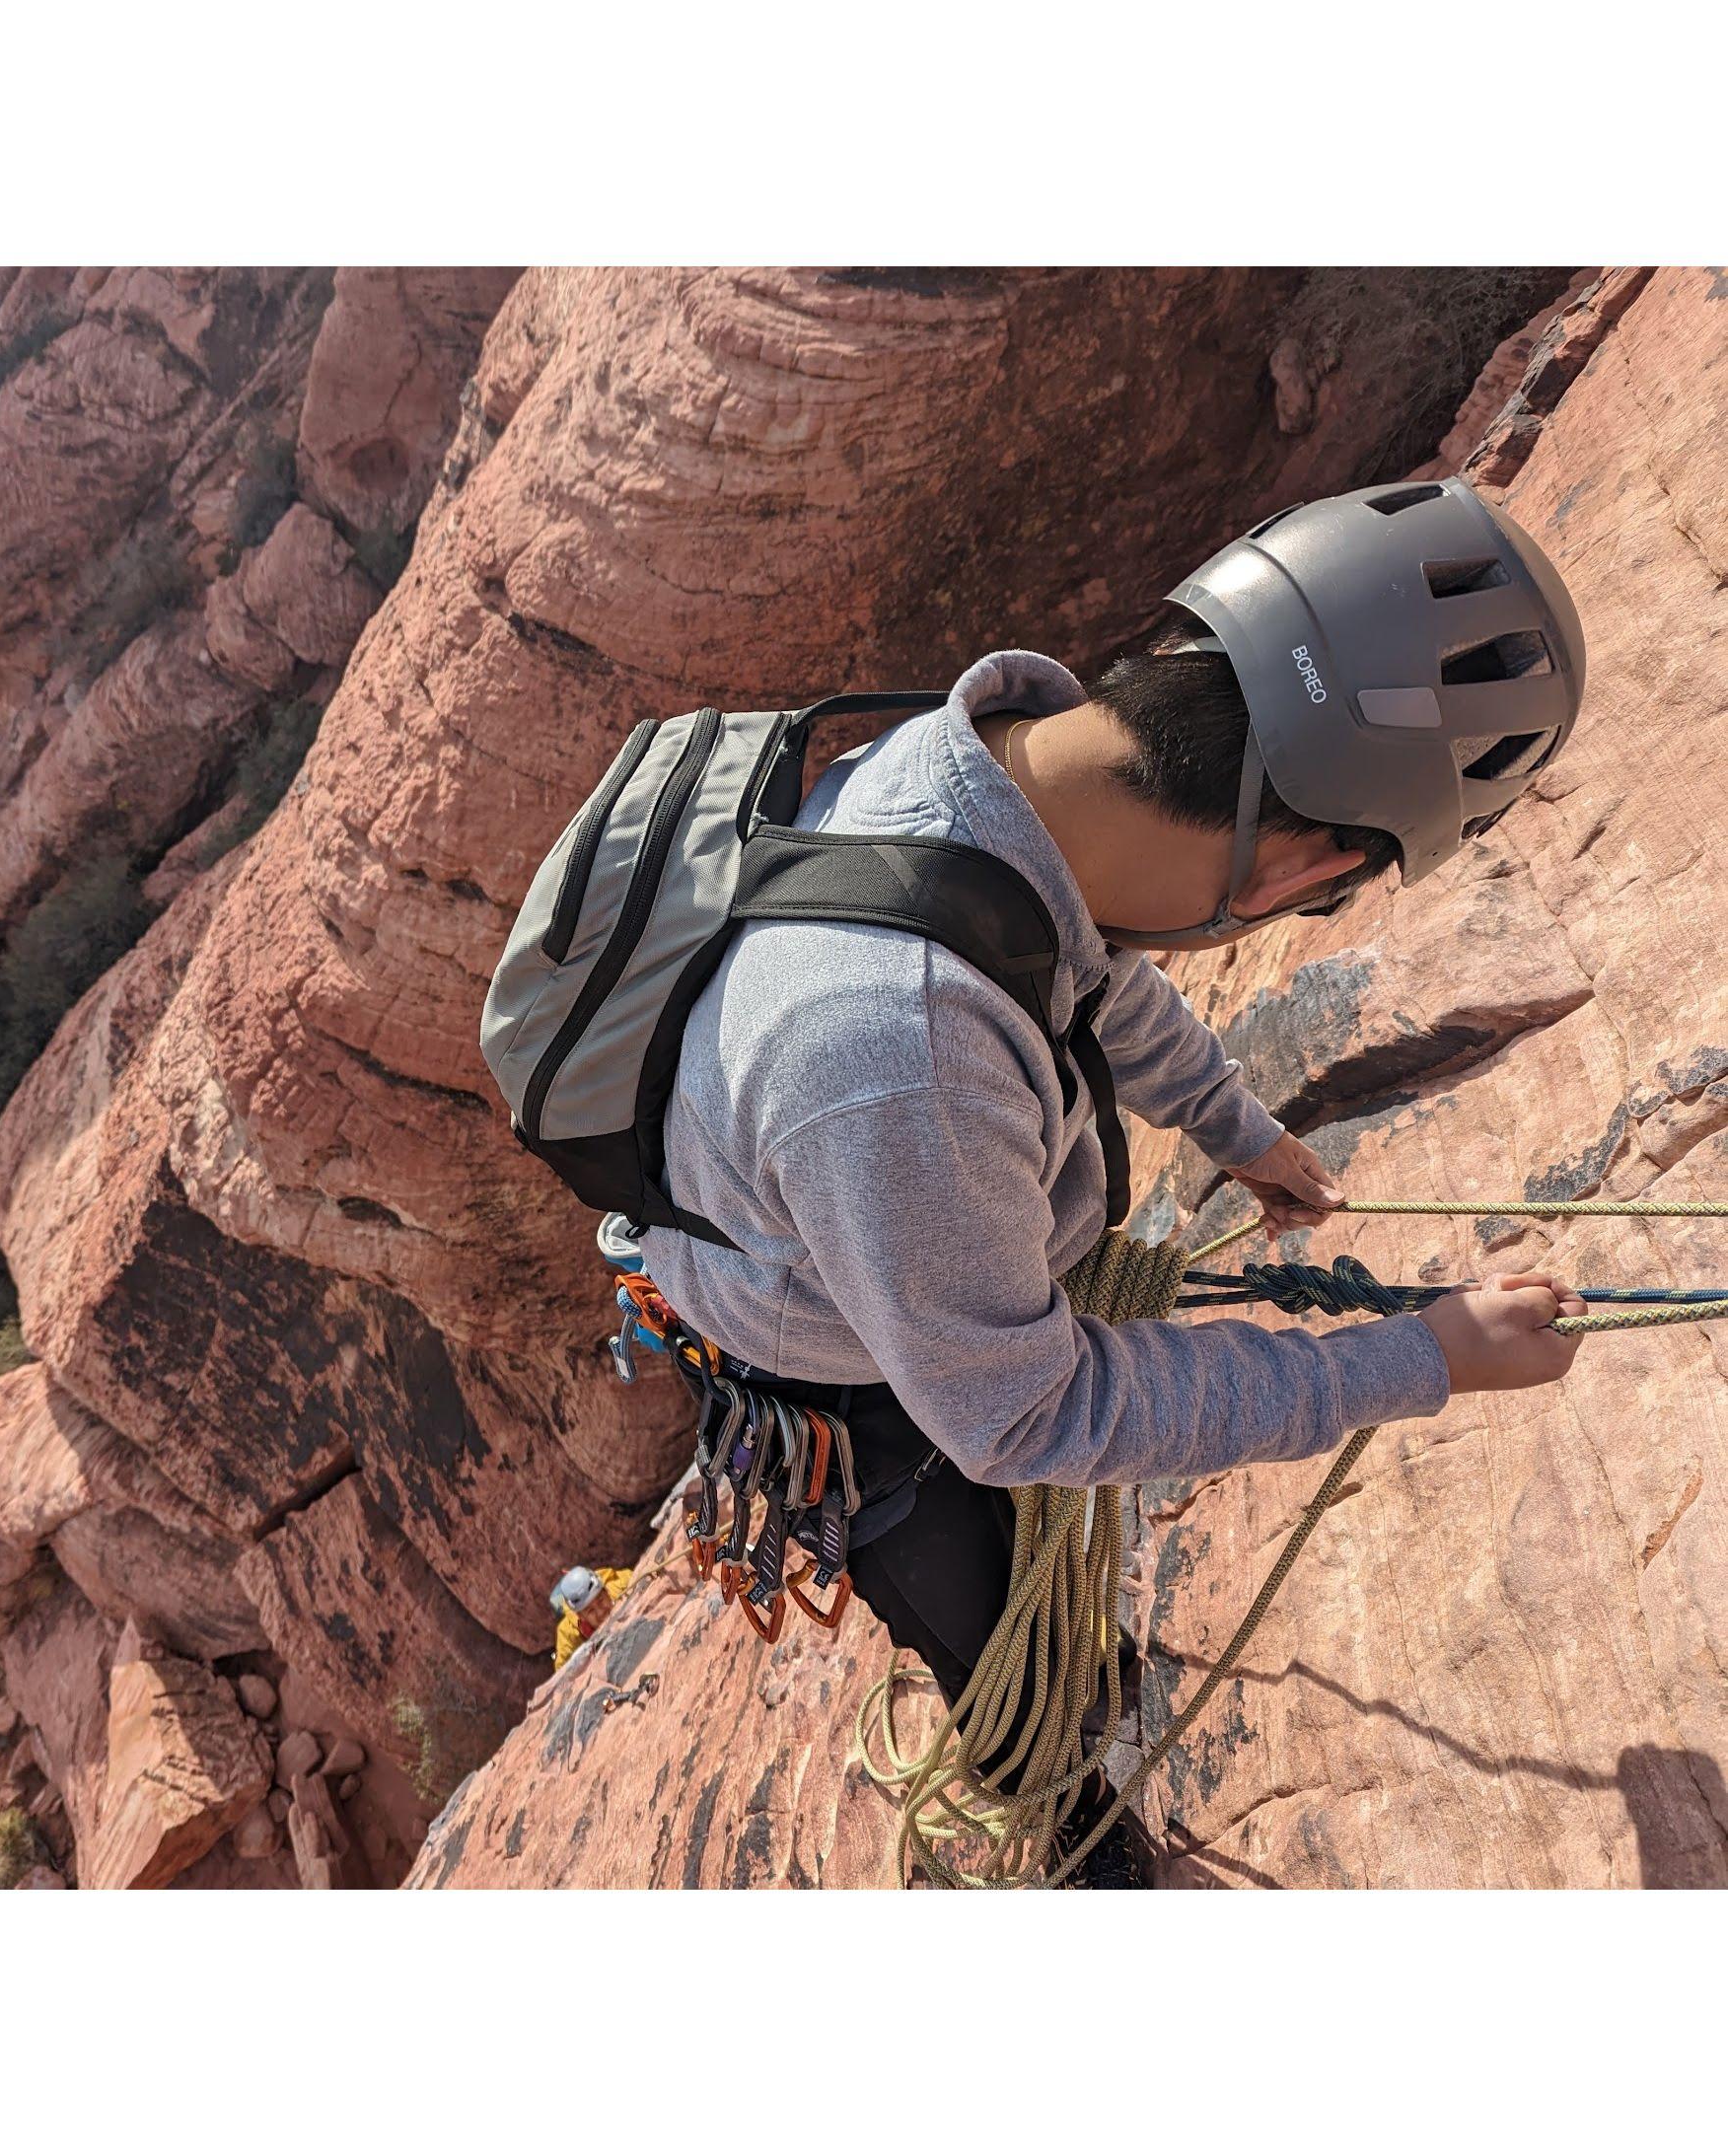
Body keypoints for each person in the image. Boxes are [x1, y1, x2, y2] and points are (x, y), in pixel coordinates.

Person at [634, 477, 1590, 1816]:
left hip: (863, 1195)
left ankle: (1069, 1692)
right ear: (1299, 874)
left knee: (1007, 1478)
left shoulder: (995, 772)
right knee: (976, 1601)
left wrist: (1234, 1127)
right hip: (829, 1346)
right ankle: (1055, 1800)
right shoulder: (892, 1054)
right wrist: (1418, 1356)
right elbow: (1028, 1410)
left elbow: (1091, 966)